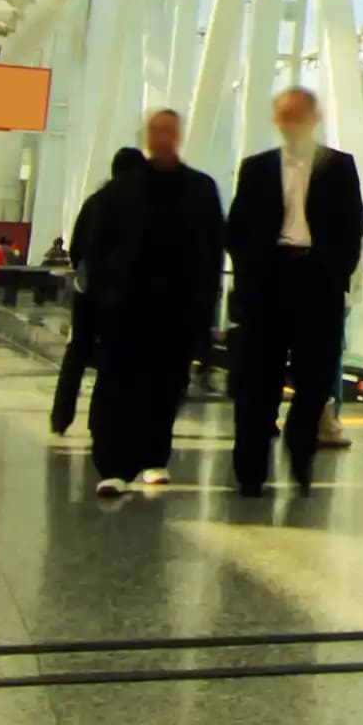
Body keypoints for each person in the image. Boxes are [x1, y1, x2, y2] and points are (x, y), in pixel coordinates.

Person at [225, 87, 363, 497]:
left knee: (316, 377)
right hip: (268, 282)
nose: (292, 125)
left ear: (314, 119)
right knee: (257, 381)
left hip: (316, 283)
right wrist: (251, 270)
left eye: (299, 117)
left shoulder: (339, 167)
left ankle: (300, 447)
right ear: (277, 122)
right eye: (285, 118)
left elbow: (353, 223)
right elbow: (237, 228)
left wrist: (335, 269)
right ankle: (251, 470)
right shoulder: (256, 169)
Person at [85, 108, 223, 496]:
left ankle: (153, 458)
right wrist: (101, 300)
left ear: (177, 136)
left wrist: (204, 308)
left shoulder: (200, 189)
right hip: (126, 307)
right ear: (148, 136)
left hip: (176, 308)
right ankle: (113, 465)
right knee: (119, 386)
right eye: (157, 131)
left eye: (169, 131)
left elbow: (213, 251)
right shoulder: (120, 191)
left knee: (166, 386)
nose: (163, 137)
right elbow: (98, 250)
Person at [50, 147, 141, 441]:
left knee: (78, 351)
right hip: (121, 294)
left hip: (87, 291)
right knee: (114, 356)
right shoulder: (139, 206)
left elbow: (76, 249)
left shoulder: (95, 202)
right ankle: (99, 422)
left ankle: (60, 416)